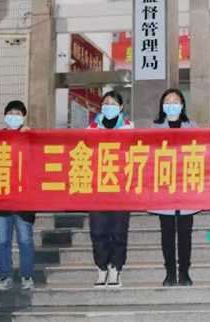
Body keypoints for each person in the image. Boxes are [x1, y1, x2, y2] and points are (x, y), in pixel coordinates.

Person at [149, 89, 200, 287]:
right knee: (167, 232)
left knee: (185, 232)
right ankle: (170, 273)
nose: (172, 104)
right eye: (168, 101)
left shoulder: (192, 127)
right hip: (164, 187)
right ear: (162, 105)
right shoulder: (154, 129)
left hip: (187, 186)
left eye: (175, 101)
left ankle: (184, 272)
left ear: (182, 104)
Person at [88, 91, 133, 288]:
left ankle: (116, 268)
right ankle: (101, 268)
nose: (109, 106)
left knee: (119, 231)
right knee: (98, 231)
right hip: (97, 189)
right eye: (105, 103)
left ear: (121, 107)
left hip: (121, 189)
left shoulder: (130, 128)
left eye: (113, 103)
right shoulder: (91, 129)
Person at [0, 101, 35, 291]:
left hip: (24, 199)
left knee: (25, 240)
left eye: (18, 114)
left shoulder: (30, 137)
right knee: (2, 241)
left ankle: (27, 276)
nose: (14, 117)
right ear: (4, 116)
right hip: (1, 199)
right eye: (10, 113)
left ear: (23, 117)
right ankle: (5, 277)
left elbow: (36, 162)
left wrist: (29, 138)